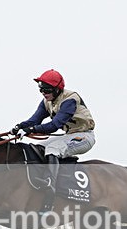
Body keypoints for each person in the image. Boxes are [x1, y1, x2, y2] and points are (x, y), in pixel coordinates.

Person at [11, 69, 96, 214]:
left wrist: (29, 130)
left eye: (47, 90)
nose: (44, 93)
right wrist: (20, 126)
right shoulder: (47, 101)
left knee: (53, 150)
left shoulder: (70, 99)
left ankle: (50, 187)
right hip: (69, 135)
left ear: (58, 89)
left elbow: (54, 126)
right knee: (37, 147)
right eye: (41, 89)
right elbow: (34, 120)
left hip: (84, 136)